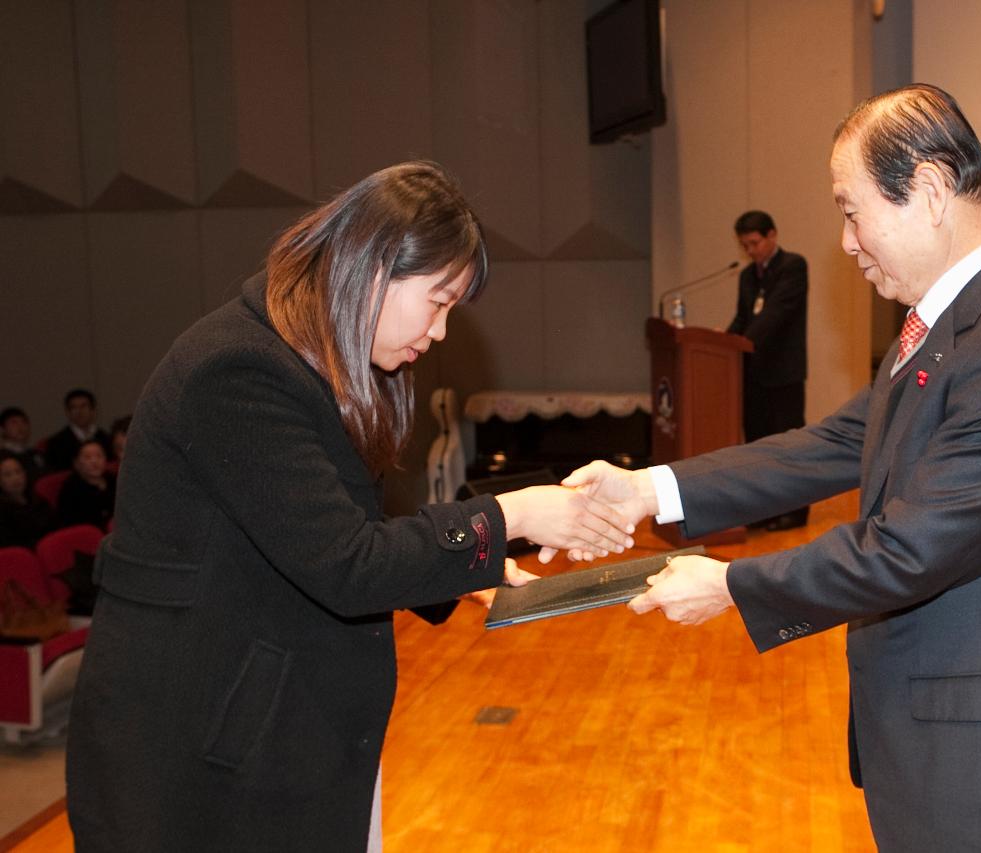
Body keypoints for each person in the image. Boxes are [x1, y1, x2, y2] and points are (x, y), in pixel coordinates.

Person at [560, 84, 981, 851]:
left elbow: (910, 547)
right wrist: (646, 488)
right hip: (938, 735)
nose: (847, 241)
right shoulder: (954, 322)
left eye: (852, 210)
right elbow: (833, 443)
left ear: (928, 191)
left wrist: (731, 584)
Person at [65, 161, 636, 852]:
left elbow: (351, 532)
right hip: (198, 758)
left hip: (277, 737)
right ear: (373, 269)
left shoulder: (319, 362)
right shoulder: (237, 371)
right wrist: (510, 516)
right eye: (439, 300)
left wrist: (469, 571)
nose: (443, 330)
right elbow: (347, 562)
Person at [726, 210, 809, 530]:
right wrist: (725, 341)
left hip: (783, 374)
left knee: (788, 446)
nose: (750, 251)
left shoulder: (793, 267)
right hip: (752, 375)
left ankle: (795, 512)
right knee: (758, 448)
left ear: (772, 235)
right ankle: (766, 511)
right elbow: (743, 317)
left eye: (754, 243)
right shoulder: (748, 276)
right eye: (744, 245)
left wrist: (741, 342)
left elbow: (774, 317)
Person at [43, 388, 113, 471]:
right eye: (74, 407)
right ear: (67, 412)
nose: (79, 411)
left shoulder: (106, 439)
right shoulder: (56, 443)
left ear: (93, 410)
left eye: (83, 406)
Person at [0, 449, 58, 548]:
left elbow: (56, 526)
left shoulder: (37, 499)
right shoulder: (3, 512)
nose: (15, 478)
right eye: (7, 475)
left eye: (18, 471)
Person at [56, 439, 116, 529]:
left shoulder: (114, 480)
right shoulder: (71, 490)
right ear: (76, 463)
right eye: (87, 457)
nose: (94, 461)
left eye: (99, 456)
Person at [0, 406, 46, 479]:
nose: (20, 426)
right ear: (2, 429)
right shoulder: (2, 457)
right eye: (14, 423)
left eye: (24, 422)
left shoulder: (37, 454)